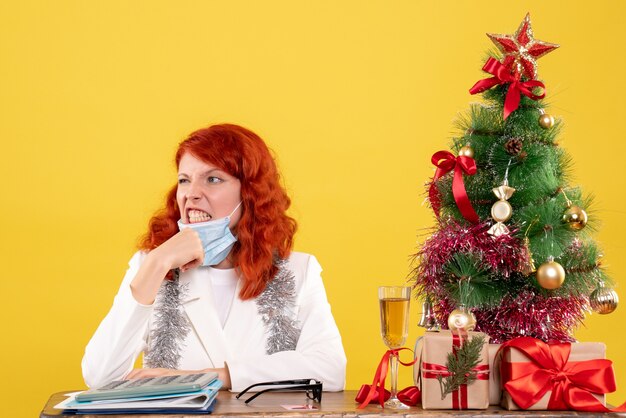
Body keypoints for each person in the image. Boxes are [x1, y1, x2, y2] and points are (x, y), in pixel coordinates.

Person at [82, 124, 346, 392]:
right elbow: (100, 377)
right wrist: (155, 264)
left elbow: (330, 370)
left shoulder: (299, 270)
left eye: (213, 179)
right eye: (184, 179)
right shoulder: (151, 266)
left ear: (250, 193)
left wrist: (211, 377)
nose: (191, 193)